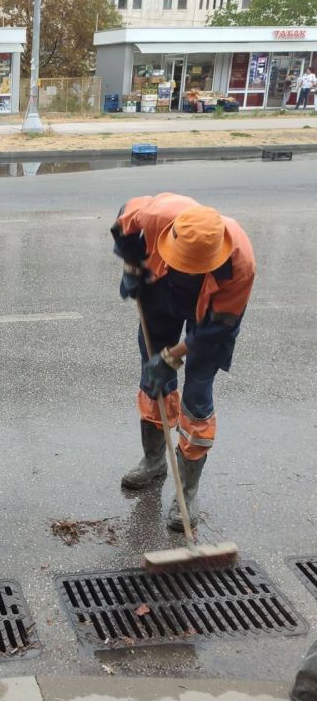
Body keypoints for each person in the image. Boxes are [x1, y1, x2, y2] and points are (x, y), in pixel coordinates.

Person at [111, 193, 255, 531]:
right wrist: (132, 267)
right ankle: (153, 462)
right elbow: (124, 223)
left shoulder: (240, 265)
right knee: (153, 381)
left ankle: (186, 493)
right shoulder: (157, 213)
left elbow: (217, 328)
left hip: (211, 313)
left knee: (197, 400)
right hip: (160, 291)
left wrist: (174, 356)